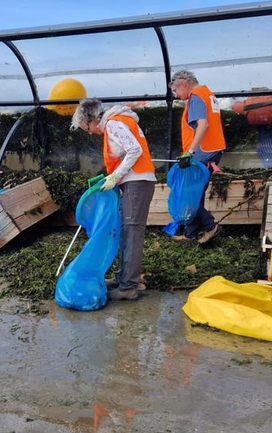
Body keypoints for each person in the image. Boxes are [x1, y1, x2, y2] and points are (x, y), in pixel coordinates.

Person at [71, 99, 156, 301]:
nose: (90, 132)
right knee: (126, 231)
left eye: (87, 127)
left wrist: (115, 176)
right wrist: (113, 177)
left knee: (132, 233)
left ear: (93, 118)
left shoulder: (113, 123)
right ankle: (122, 278)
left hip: (137, 181)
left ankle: (129, 287)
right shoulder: (118, 121)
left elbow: (135, 150)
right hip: (134, 181)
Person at [169, 70, 226, 245]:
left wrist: (190, 152)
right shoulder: (209, 94)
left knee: (188, 195)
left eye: (176, 91)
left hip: (203, 153)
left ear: (184, 84)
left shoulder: (196, 97)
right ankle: (191, 233)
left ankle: (210, 226)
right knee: (196, 193)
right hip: (213, 150)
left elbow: (203, 124)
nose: (177, 96)